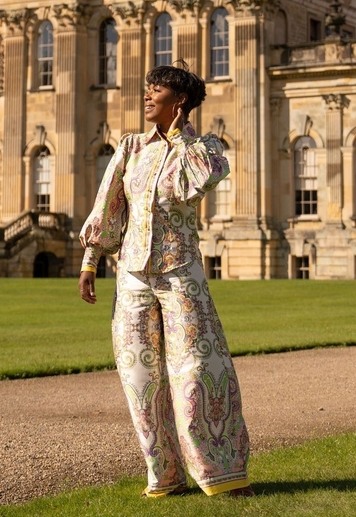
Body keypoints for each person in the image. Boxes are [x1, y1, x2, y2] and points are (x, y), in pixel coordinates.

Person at [78, 63, 253, 499]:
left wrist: (179, 138)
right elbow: (110, 205)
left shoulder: (201, 148)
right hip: (132, 275)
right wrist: (90, 259)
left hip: (179, 274)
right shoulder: (131, 147)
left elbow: (199, 182)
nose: (147, 95)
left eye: (156, 90)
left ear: (180, 102)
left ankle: (223, 475)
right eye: (147, 88)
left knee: (197, 371)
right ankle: (165, 476)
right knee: (141, 378)